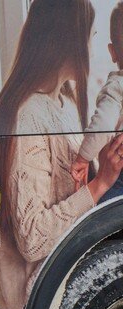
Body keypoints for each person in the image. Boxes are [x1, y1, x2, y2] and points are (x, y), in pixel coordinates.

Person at [0, 0, 123, 309]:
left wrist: (104, 169)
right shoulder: (27, 114)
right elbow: (33, 240)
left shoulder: (62, 103)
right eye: (90, 37)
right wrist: (100, 183)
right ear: (69, 41)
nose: (93, 48)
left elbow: (72, 192)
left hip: (68, 263)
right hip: (44, 285)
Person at [72, 1, 123, 203]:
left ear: (112, 52)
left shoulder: (116, 86)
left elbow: (102, 126)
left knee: (98, 212)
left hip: (120, 178)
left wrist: (82, 158)